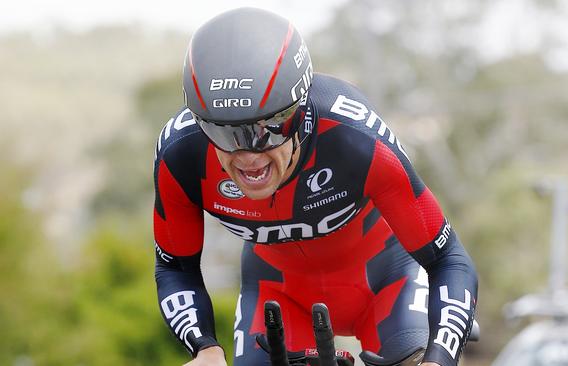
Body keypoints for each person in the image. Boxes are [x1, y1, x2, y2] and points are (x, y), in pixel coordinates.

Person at [153, 7, 478, 366]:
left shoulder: (353, 138)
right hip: (277, 293)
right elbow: (175, 267)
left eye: (266, 130)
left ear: (298, 111)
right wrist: (205, 349)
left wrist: (440, 356)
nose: (247, 156)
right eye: (222, 133)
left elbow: (447, 258)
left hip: (388, 282)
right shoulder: (181, 153)